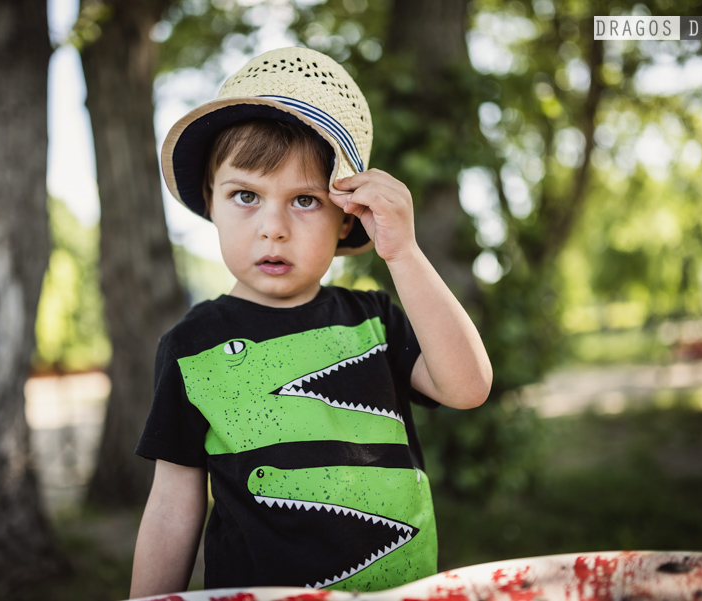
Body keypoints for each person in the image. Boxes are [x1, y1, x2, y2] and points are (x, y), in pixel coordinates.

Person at [130, 47, 492, 598]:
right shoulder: (191, 347)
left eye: (304, 200)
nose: (273, 227)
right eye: (246, 195)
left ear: (346, 219)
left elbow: (468, 388)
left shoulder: (374, 322)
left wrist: (406, 255)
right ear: (211, 200)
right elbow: (171, 507)